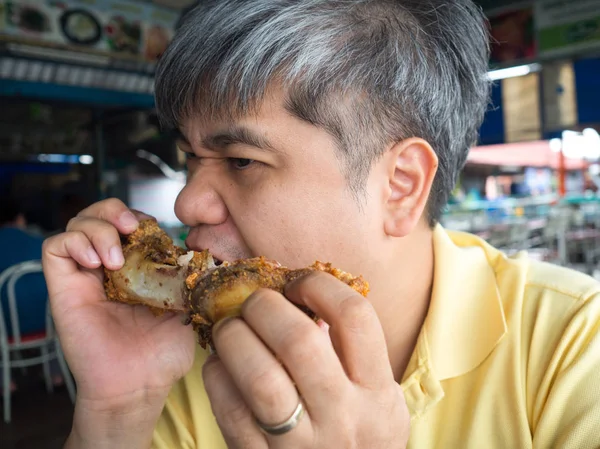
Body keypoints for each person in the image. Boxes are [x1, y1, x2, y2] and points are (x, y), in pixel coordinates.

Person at [41, 1, 600, 448]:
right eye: (190, 156)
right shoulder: (181, 353)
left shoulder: (573, 351)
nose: (187, 205)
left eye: (241, 160)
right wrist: (119, 414)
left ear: (400, 185)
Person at [0, 197, 63, 394]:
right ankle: (56, 375)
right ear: (20, 219)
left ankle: (5, 383)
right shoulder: (45, 245)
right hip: (48, 325)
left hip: (6, 329)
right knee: (53, 308)